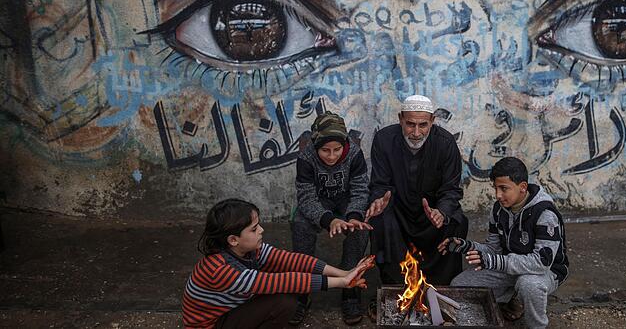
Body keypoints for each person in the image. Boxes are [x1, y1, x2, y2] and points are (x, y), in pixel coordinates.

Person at [182, 198, 373, 329]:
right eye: (254, 229)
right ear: (233, 240)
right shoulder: (220, 269)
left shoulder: (249, 250)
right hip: (210, 325)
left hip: (230, 311)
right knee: (284, 300)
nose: (262, 231)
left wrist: (344, 273)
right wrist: (343, 283)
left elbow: (293, 261)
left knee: (286, 288)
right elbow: (285, 281)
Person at [440, 157, 568, 329]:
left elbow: (541, 263)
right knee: (459, 285)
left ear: (522, 187)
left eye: (504, 189)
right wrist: (466, 246)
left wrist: (494, 262)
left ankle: (536, 324)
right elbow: (493, 249)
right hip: (510, 266)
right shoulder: (499, 209)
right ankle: (511, 299)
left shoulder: (544, 214)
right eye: (495, 188)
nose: (497, 195)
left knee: (528, 285)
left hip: (544, 272)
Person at [365, 94, 469, 291]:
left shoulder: (445, 143)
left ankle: (440, 289)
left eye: (423, 125)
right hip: (398, 210)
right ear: (400, 119)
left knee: (456, 221)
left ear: (432, 121)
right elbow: (380, 184)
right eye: (410, 124)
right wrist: (378, 200)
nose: (416, 132)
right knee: (380, 221)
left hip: (431, 212)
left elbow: (451, 189)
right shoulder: (384, 140)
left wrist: (442, 212)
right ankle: (394, 289)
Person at [289, 111, 372, 325]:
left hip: (346, 201)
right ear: (316, 146)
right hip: (320, 201)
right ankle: (302, 289)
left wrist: (353, 216)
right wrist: (328, 220)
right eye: (325, 150)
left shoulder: (354, 153)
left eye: (337, 150)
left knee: (360, 228)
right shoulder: (306, 158)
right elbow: (306, 197)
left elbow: (360, 190)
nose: (332, 156)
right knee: (300, 224)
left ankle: (350, 286)